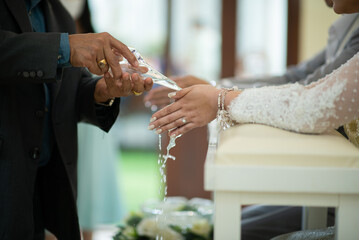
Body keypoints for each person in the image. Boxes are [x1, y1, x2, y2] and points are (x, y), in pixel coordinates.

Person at [147, 0, 359, 239]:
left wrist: (220, 99)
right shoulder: (348, 22)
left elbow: (312, 103)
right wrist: (216, 90)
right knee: (230, 225)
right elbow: (300, 79)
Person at [0, 0, 153, 239]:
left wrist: (102, 92)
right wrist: (65, 47)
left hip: (39, 189)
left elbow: (71, 89)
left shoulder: (59, 14)